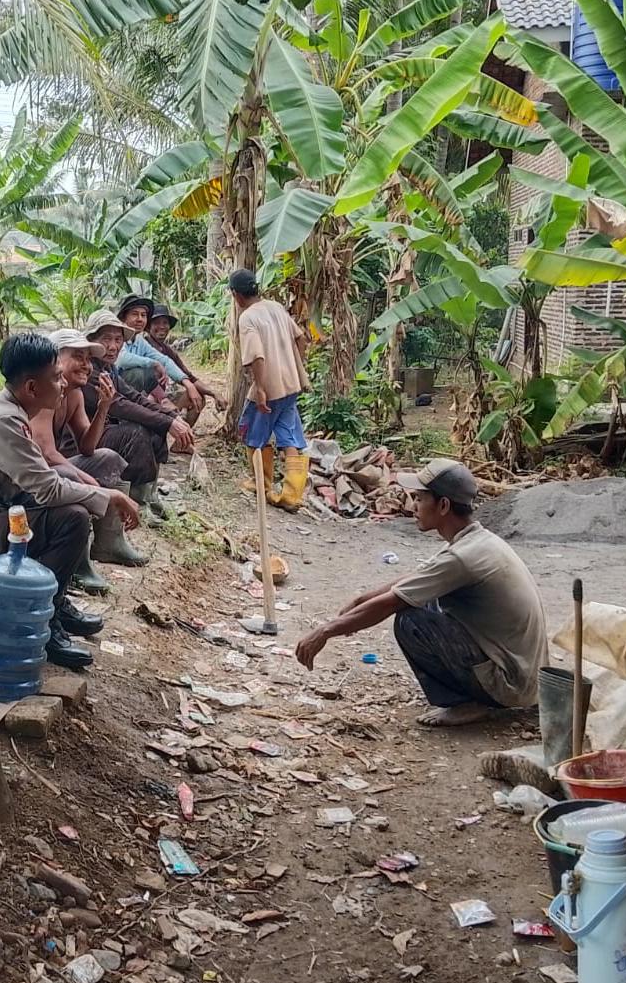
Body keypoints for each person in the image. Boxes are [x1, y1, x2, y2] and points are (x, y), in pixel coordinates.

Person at [0, 333, 140, 670]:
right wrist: (110, 495)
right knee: (72, 519)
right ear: (31, 387)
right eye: (56, 378)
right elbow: (47, 490)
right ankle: (43, 619)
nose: (62, 384)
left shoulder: (0, 405)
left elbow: (42, 480)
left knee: (70, 492)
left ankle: (52, 603)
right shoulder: (3, 421)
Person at [296, 458, 548, 727]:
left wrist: (325, 631)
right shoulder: (475, 541)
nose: (412, 506)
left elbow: (391, 603)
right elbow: (416, 579)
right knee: (421, 600)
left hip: (511, 684)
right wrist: (360, 600)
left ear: (443, 505)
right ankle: (472, 694)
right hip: (525, 676)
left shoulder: (462, 557)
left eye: (419, 498)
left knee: (411, 620)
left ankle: (466, 703)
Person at [29, 329, 148, 588]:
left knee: (108, 458)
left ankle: (109, 543)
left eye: (88, 359)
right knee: (72, 475)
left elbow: (88, 447)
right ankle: (77, 563)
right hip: (33, 478)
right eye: (78, 357)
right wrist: (88, 481)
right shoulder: (44, 393)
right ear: (54, 360)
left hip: (52, 469)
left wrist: (104, 406)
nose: (86, 365)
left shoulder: (74, 394)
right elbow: (46, 454)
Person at [83, 310, 194, 522]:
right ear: (91, 341)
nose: (113, 346)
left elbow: (134, 397)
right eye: (106, 339)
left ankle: (149, 496)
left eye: (118, 340)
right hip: (85, 440)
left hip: (103, 430)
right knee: (135, 434)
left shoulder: (108, 368)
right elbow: (120, 405)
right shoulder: (90, 370)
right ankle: (137, 502)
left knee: (154, 427)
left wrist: (171, 416)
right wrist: (167, 422)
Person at [229, 269, 310, 512]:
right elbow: (301, 338)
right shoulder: (275, 307)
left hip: (270, 387)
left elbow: (257, 355)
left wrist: (261, 388)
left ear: (236, 295)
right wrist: (295, 364)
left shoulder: (248, 318)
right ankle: (292, 495)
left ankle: (261, 483)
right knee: (289, 436)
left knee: (254, 434)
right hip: (291, 384)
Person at [115, 294, 201, 415]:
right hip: (113, 391)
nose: (140, 319)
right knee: (143, 372)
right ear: (124, 318)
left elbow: (164, 360)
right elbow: (121, 359)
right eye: (135, 314)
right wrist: (153, 363)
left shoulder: (139, 341)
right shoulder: (117, 336)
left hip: (133, 393)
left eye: (143, 315)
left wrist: (187, 383)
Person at [147, 303, 226, 424]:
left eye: (165, 323)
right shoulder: (143, 346)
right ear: (148, 327)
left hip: (163, 397)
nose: (162, 327)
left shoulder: (168, 351)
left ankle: (183, 435)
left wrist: (214, 393)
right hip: (146, 399)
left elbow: (189, 377)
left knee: (197, 397)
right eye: (156, 323)